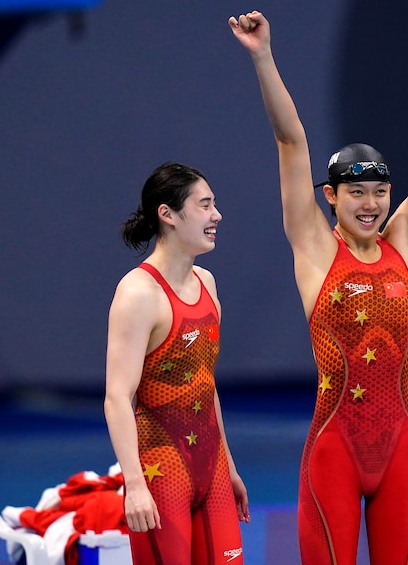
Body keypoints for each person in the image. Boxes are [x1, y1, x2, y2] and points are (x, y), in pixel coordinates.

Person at [228, 10, 408, 565]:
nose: (371, 203)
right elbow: (291, 142)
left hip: (402, 450)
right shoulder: (315, 247)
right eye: (357, 192)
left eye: (381, 191)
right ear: (331, 197)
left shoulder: (403, 241)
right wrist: (262, 56)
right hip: (333, 449)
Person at [103, 162, 250, 565]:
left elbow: (205, 384)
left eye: (214, 205)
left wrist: (230, 467)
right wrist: (133, 485)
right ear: (167, 214)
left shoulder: (208, 283)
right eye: (204, 205)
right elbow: (118, 397)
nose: (216, 215)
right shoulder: (138, 294)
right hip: (160, 477)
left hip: (214, 471)